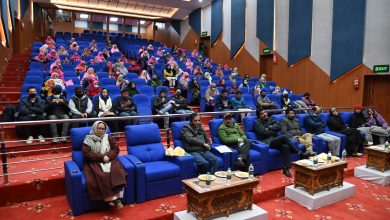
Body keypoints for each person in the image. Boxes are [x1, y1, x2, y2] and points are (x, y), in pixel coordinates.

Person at [82, 121, 127, 209]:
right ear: (95, 128)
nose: (101, 130)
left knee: (116, 171)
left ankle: (116, 198)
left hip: (109, 159)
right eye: (99, 128)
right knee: (102, 174)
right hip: (95, 161)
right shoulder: (88, 139)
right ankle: (111, 199)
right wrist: (102, 158)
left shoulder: (108, 137)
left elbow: (115, 149)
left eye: (103, 129)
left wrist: (108, 156)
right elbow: (86, 154)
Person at [254, 108, 307, 177]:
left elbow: (279, 127)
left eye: (265, 112)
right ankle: (299, 152)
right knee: (284, 137)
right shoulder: (257, 123)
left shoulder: (270, 119)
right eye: (262, 113)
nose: (264, 114)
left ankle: (286, 168)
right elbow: (264, 133)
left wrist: (269, 128)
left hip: (274, 139)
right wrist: (272, 128)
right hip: (266, 142)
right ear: (259, 116)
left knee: (285, 147)